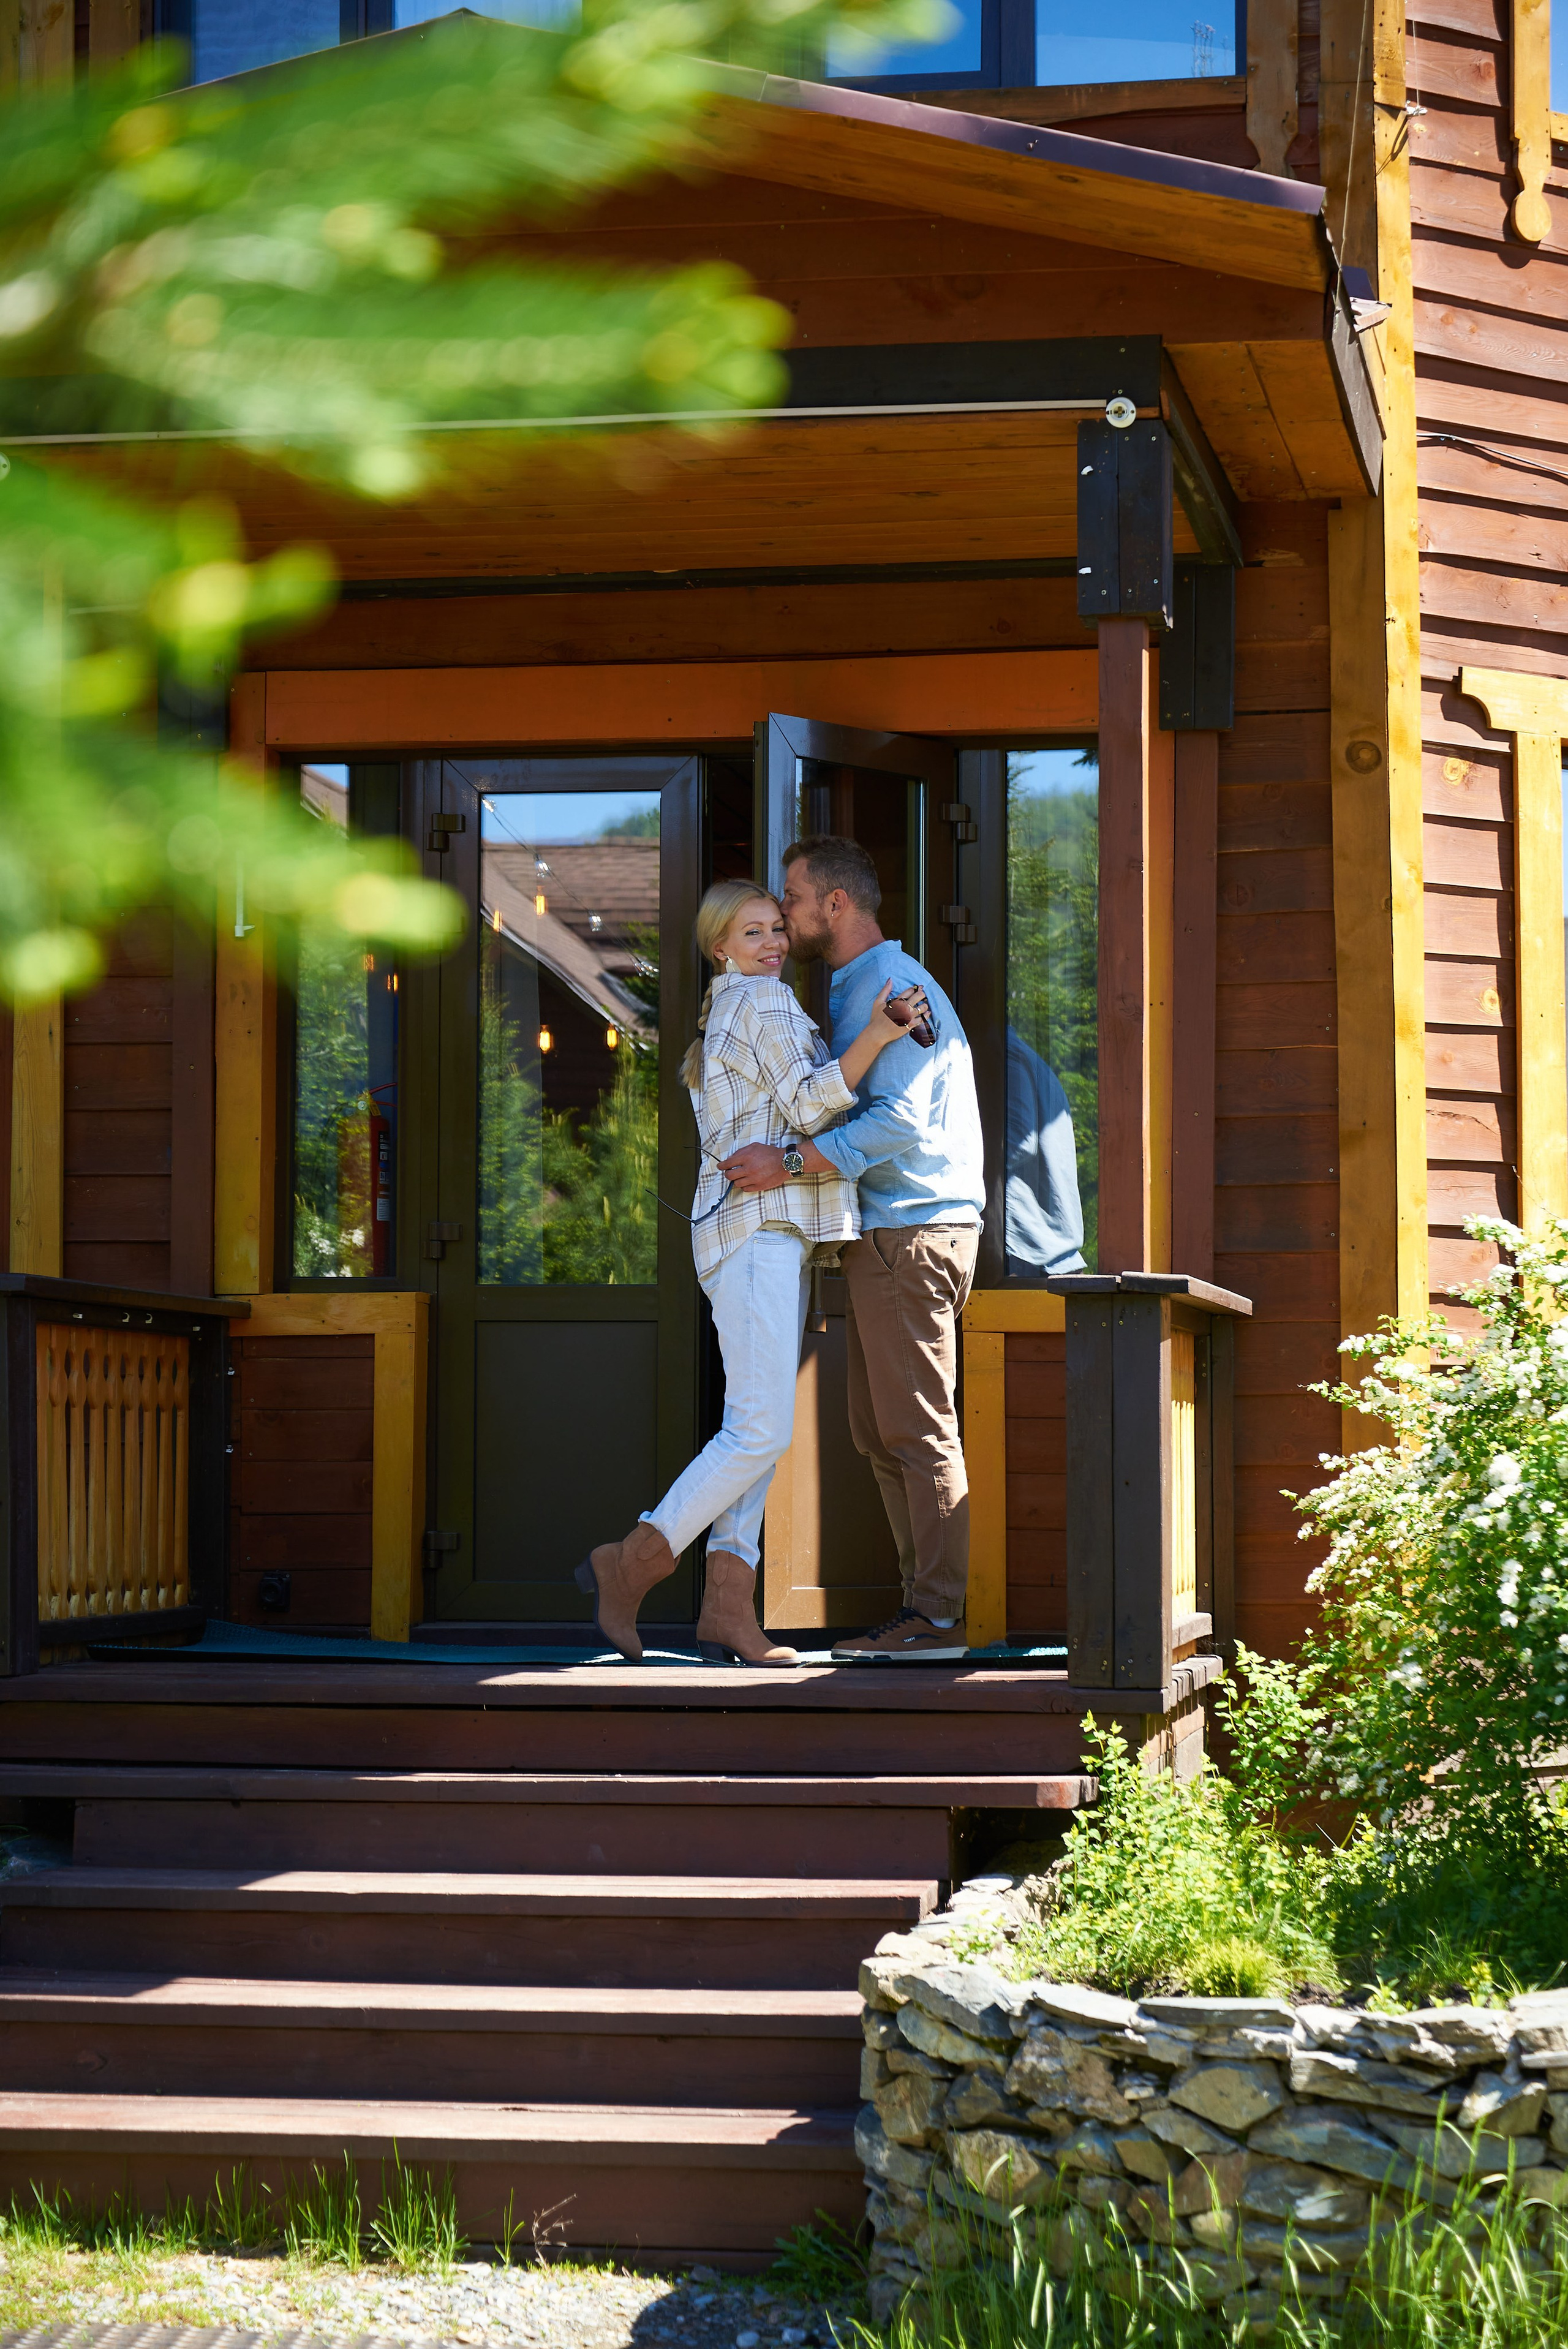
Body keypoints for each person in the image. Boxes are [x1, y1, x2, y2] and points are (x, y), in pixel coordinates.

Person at [577, 878, 925, 1666]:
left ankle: (728, 1611)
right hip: (761, 1233)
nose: (771, 943)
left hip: (762, 1235)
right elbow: (809, 1107)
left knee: (758, 1428)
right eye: (751, 933)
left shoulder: (736, 1008)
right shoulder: (761, 1004)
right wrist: (876, 1034)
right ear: (720, 948)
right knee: (761, 1426)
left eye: (775, 929)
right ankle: (633, 1559)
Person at [720, 836, 984, 1662]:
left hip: (914, 1229)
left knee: (916, 1427)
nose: (785, 912)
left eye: (793, 898)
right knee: (879, 1429)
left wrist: (789, 1160)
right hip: (891, 1233)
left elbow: (900, 1120)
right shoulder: (856, 986)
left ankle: (938, 1618)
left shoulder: (886, 984)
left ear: (836, 903)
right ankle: (920, 1613)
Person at [1005, 1025, 1086, 1277]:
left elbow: (1020, 1141)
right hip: (1046, 1250)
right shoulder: (1024, 1057)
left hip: (1031, 1249)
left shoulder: (1007, 1058)